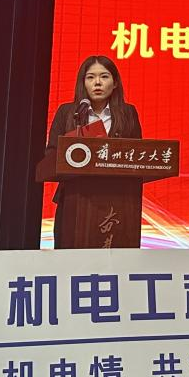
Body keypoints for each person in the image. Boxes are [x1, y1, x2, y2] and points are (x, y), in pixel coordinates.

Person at [47, 55, 143, 248]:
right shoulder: (68, 112)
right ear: (83, 82)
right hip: (75, 198)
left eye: (104, 76)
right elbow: (51, 154)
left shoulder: (127, 113)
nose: (97, 83)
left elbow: (137, 155)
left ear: (115, 83)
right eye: (90, 77)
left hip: (118, 198)